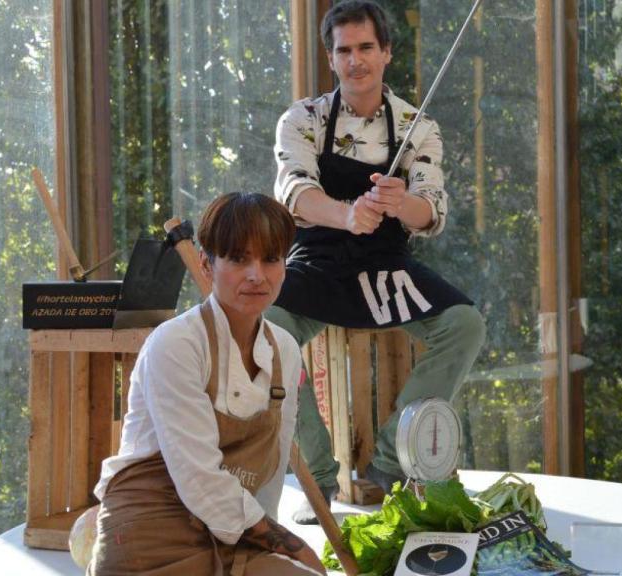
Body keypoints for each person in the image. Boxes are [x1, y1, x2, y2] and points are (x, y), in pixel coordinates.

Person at [269, 0, 486, 525]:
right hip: (317, 263)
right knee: (264, 330)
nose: (356, 60)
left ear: (386, 52)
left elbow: (430, 211)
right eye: (344, 50)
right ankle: (317, 478)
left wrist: (398, 203)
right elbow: (292, 194)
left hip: (388, 269)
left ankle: (393, 460)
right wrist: (347, 216)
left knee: (465, 324)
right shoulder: (302, 119)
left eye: (366, 47)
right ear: (331, 58)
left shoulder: (418, 125)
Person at [89, 193, 325, 575]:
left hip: (232, 532)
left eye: (270, 259)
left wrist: (275, 551)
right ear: (206, 263)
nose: (256, 275)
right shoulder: (176, 344)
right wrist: (292, 544)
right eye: (239, 259)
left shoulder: (284, 350)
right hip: (150, 533)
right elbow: (198, 476)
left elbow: (273, 468)